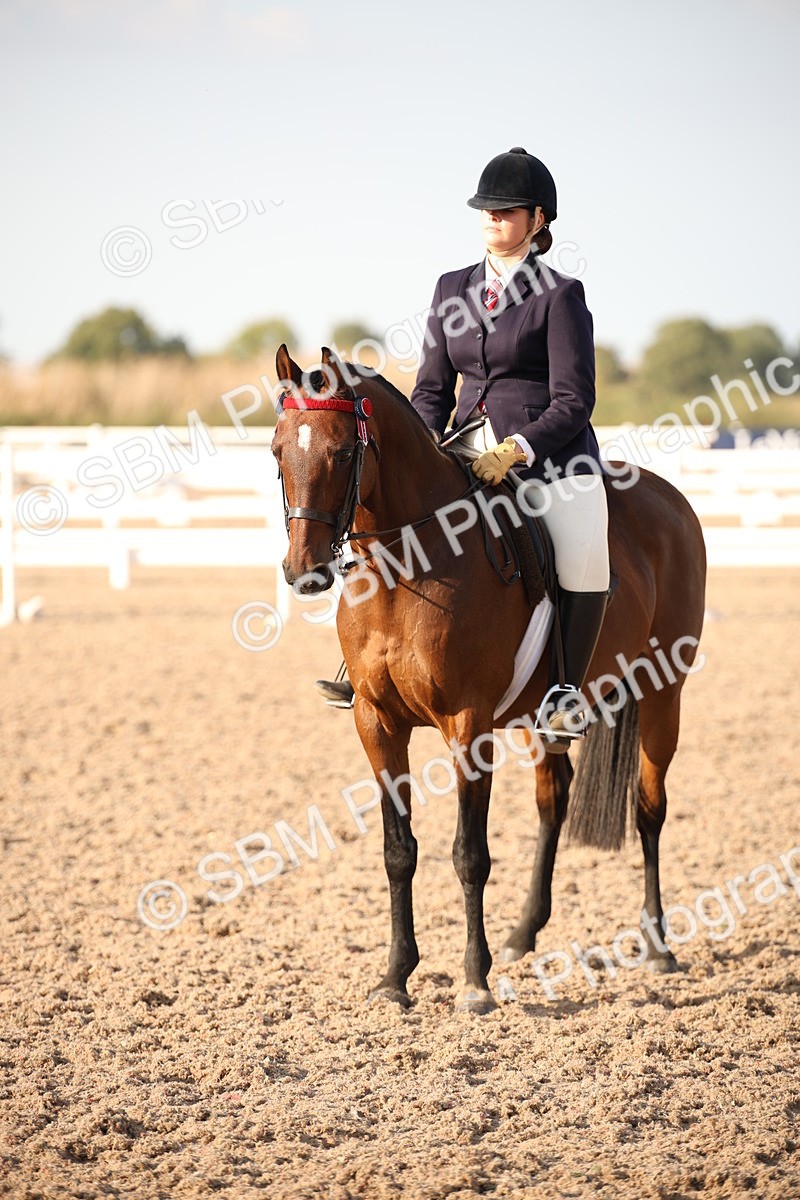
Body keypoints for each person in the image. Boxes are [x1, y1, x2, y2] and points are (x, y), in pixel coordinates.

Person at [316, 147, 609, 743]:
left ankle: (565, 692)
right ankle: (367, 661)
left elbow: (574, 400)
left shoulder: (561, 295)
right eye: (485, 210)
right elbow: (430, 388)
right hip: (463, 445)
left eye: (505, 211)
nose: (492, 219)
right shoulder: (452, 288)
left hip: (547, 457)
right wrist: (421, 447)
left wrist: (518, 449)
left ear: (538, 219)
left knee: (583, 547)